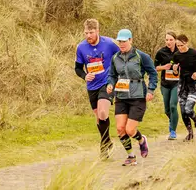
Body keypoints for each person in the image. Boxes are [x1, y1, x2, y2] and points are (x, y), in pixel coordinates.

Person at [106, 29, 158, 166]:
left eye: (124, 41)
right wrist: (110, 84)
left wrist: (151, 90)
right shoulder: (115, 57)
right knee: (120, 129)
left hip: (138, 96)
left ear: (130, 40)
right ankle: (131, 156)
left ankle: (141, 140)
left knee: (130, 130)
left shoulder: (141, 56)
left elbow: (153, 73)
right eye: (119, 41)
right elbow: (112, 75)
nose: (121, 44)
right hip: (121, 95)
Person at [74, 18, 120, 160]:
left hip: (107, 82)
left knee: (102, 112)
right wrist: (84, 75)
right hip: (92, 85)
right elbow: (77, 68)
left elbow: (122, 56)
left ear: (98, 31)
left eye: (91, 32)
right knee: (99, 118)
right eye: (86, 32)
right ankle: (107, 142)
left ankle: (103, 146)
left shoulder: (109, 44)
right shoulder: (81, 47)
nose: (88, 36)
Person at [172, 34, 196, 141]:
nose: (180, 48)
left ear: (187, 42)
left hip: (194, 85)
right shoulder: (176, 55)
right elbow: (175, 72)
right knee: (183, 111)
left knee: (188, 109)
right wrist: (175, 70)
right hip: (182, 85)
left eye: (181, 45)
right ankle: (190, 133)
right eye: (178, 46)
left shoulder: (195, 54)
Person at [154, 31, 180, 140]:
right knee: (167, 110)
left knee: (173, 106)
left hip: (177, 83)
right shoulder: (161, 52)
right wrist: (164, 67)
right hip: (165, 83)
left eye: (171, 40)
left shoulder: (181, 51)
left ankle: (173, 131)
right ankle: (172, 120)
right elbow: (154, 67)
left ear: (175, 40)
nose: (168, 42)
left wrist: (178, 69)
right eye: (167, 40)